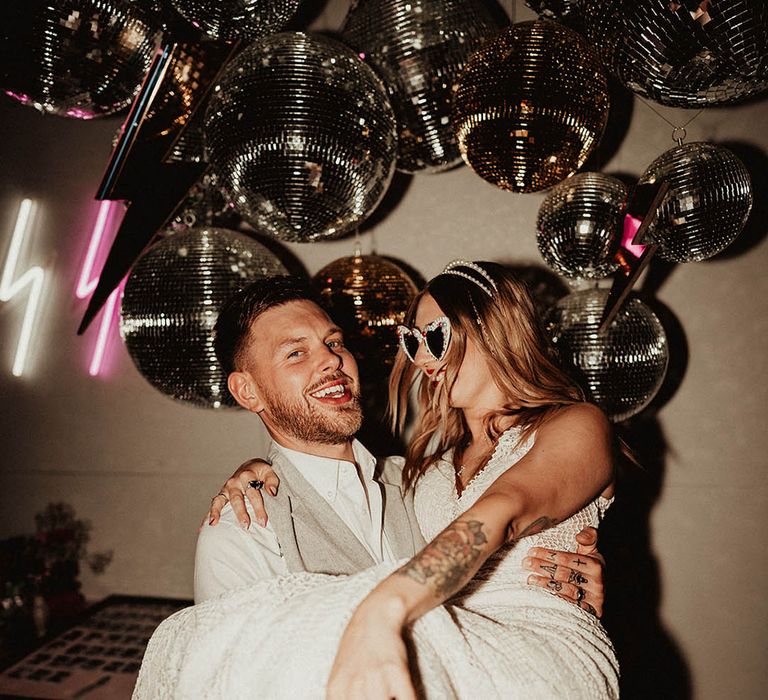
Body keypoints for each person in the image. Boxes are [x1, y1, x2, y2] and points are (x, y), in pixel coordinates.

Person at [134, 263, 619, 698]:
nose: (329, 359)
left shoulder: (409, 479)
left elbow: (505, 508)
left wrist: (384, 611)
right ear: (247, 390)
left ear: (495, 327)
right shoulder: (246, 522)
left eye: (334, 342)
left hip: (523, 663)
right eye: (295, 354)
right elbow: (236, 677)